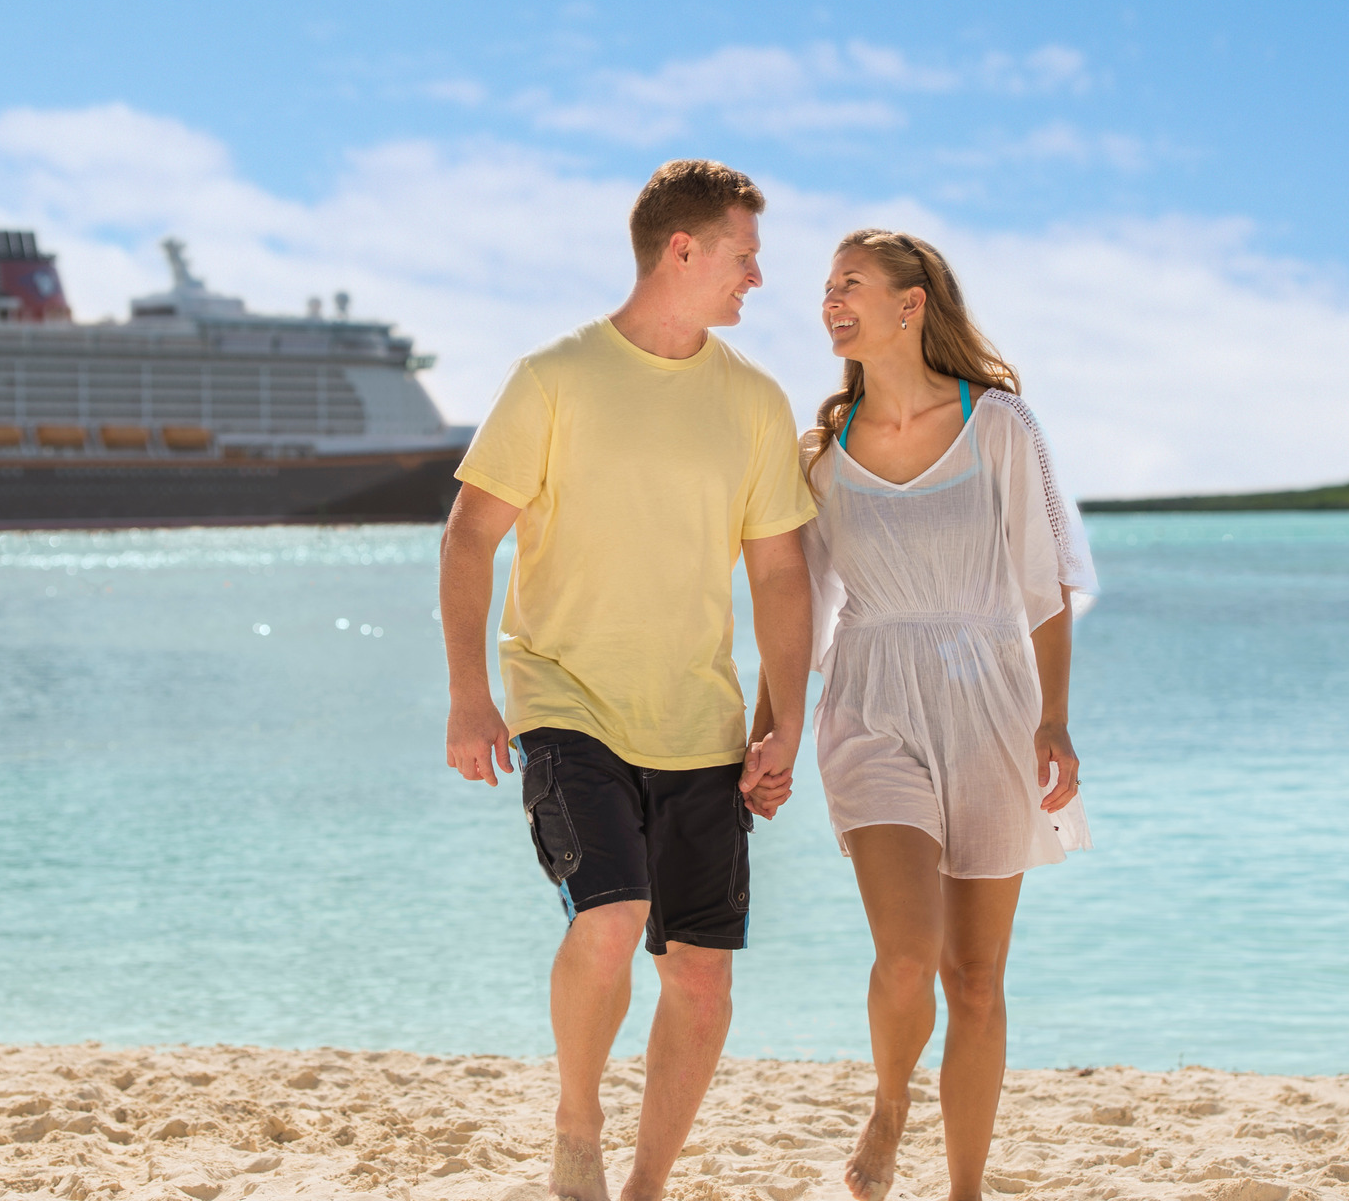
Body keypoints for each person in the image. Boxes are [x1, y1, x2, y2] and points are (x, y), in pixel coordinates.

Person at [439, 159, 817, 1201]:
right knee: (608, 914)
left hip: (700, 721)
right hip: (568, 704)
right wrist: (471, 695)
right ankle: (576, 1117)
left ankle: (644, 1185)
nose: (757, 279)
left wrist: (784, 723)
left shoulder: (753, 400)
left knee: (700, 977)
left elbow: (781, 573)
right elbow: (471, 534)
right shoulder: (554, 376)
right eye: (744, 256)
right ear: (682, 249)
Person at [790, 228, 1096, 1201]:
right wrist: (772, 730)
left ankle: (963, 1190)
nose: (831, 300)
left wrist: (1053, 717)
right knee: (907, 954)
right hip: (871, 699)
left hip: (992, 702)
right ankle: (888, 1104)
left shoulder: (998, 424)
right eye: (826, 286)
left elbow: (1043, 583)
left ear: (910, 303)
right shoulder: (823, 450)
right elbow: (795, 609)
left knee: (974, 979)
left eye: (852, 284)